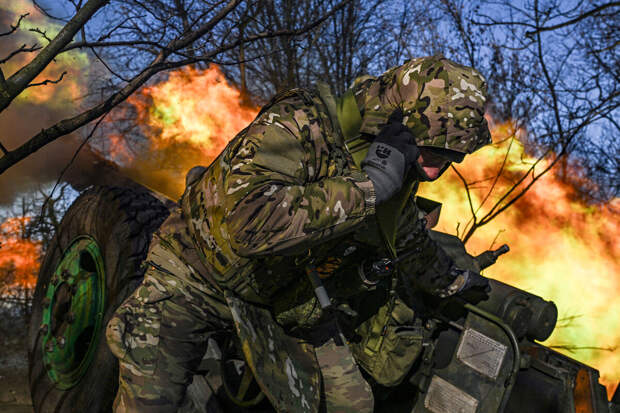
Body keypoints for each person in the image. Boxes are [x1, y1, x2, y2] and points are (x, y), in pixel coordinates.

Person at [106, 55, 492, 413]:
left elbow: (407, 237)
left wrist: (454, 282)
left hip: (286, 299)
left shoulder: (393, 164)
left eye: (450, 160)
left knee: (353, 404)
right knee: (151, 402)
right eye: (431, 153)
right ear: (396, 120)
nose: (432, 173)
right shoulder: (301, 121)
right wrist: (367, 189)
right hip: (196, 276)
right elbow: (249, 224)